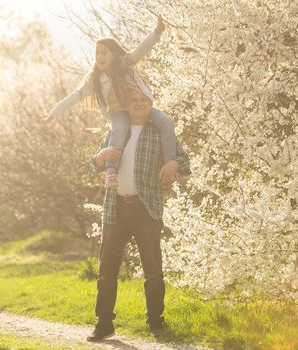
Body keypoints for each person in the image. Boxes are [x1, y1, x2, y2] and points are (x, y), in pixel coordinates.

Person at [86, 89, 191, 342]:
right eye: (134, 100)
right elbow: (95, 162)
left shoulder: (159, 133)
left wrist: (173, 164)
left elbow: (185, 162)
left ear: (150, 105)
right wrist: (101, 157)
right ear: (126, 105)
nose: (139, 104)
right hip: (115, 208)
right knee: (107, 269)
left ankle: (156, 323)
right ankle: (104, 324)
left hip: (146, 208)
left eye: (144, 100)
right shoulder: (116, 133)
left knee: (153, 270)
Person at [49, 15, 176, 189]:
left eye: (103, 52)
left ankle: (170, 163)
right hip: (118, 111)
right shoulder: (95, 79)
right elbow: (77, 95)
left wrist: (156, 33)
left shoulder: (124, 64)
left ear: (114, 55)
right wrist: (55, 112)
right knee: (119, 128)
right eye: (97, 53)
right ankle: (111, 171)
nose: (99, 57)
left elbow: (140, 50)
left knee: (166, 122)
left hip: (139, 106)